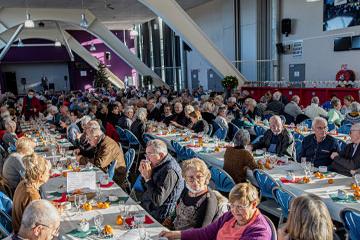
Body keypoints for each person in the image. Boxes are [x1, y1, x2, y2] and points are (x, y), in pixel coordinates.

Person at [160, 182, 272, 240]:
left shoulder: (259, 231)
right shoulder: (230, 216)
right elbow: (206, 233)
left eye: (240, 207)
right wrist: (176, 234)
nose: (235, 211)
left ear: (253, 205)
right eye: (232, 205)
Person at [138, 139, 184, 223]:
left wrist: (148, 178)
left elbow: (158, 201)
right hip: (148, 205)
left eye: (149, 155)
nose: (146, 158)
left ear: (161, 155)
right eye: (146, 154)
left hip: (159, 214)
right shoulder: (157, 163)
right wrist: (143, 175)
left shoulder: (169, 171)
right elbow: (146, 189)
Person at [169, 158, 217, 230]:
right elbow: (176, 211)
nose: (195, 182)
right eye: (191, 177)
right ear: (185, 177)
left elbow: (201, 231)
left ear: (206, 177)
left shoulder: (208, 200)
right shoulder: (186, 190)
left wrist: (175, 235)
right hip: (173, 229)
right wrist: (169, 220)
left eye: (199, 177)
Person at [77, 120, 126, 185]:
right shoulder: (101, 140)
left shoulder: (108, 145)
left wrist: (81, 159)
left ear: (96, 137)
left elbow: (98, 165)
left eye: (89, 139)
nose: (88, 141)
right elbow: (92, 153)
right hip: (105, 171)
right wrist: (81, 152)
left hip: (114, 178)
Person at [12, 154, 51, 233]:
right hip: (25, 234)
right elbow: (38, 227)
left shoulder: (23, 183)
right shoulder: (32, 195)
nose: (49, 173)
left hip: (19, 229)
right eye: (47, 171)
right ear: (40, 176)